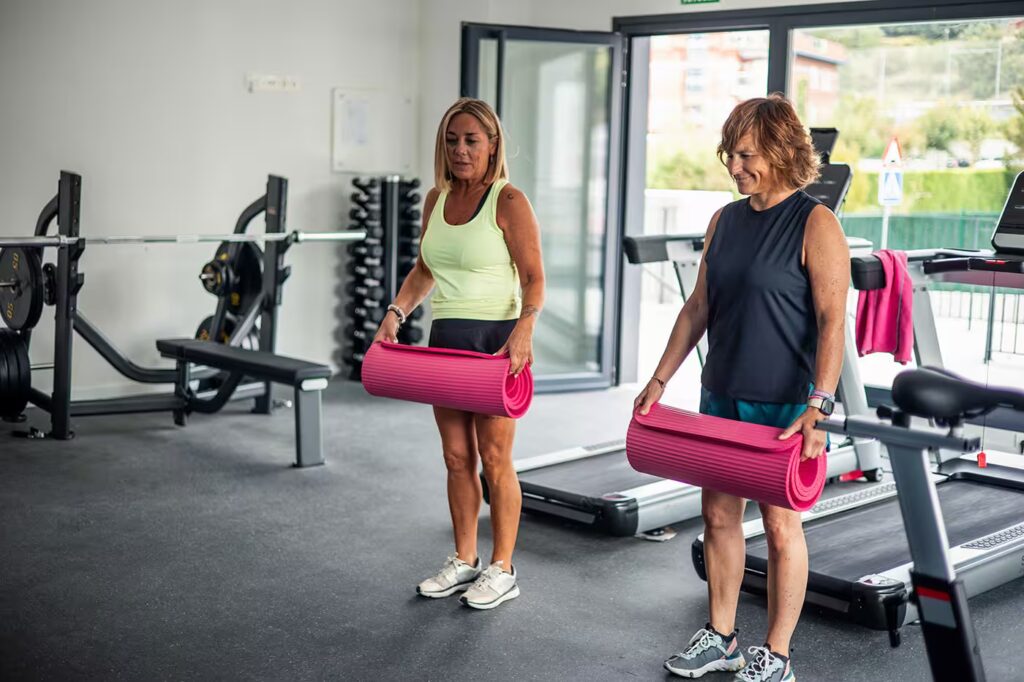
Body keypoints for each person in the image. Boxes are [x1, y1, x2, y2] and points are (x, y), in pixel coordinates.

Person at [634, 93, 849, 681]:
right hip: (722, 392)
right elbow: (698, 306)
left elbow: (833, 320)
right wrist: (659, 379)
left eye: (746, 154)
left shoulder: (816, 223)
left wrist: (820, 405)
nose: (734, 166)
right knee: (719, 517)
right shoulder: (724, 220)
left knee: (781, 526)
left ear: (780, 151)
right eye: (730, 154)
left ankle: (776, 655)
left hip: (785, 403)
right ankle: (722, 638)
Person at [373, 97, 545, 610]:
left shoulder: (508, 200)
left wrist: (525, 328)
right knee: (455, 458)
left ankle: (503, 567)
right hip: (446, 339)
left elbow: (534, 277)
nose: (461, 150)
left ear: (493, 145)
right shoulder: (437, 199)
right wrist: (395, 312)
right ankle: (465, 559)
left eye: (471, 140)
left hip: (495, 341)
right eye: (452, 141)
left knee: (495, 459)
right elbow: (425, 269)